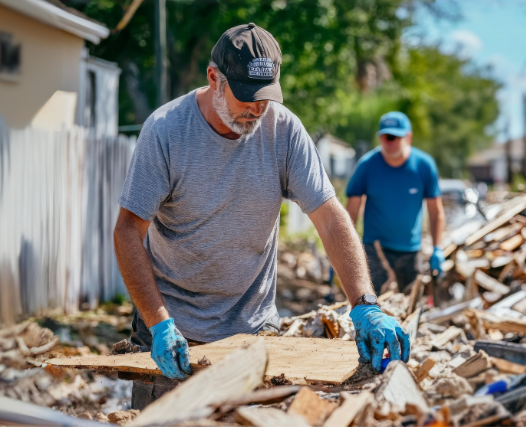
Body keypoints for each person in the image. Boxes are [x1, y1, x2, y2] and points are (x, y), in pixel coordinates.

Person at [113, 24, 408, 409]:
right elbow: (127, 232)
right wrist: (159, 323)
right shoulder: (166, 132)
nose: (256, 109)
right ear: (214, 77)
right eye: (246, 97)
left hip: (254, 331)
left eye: (265, 98)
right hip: (173, 333)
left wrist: (365, 303)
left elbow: (330, 219)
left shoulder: (283, 131)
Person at [345, 112, 446, 293]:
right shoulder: (367, 165)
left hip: (410, 251)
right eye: (385, 137)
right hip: (374, 250)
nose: (389, 142)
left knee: (409, 305)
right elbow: (351, 210)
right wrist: (345, 248)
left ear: (408, 137)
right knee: (372, 304)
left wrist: (437, 248)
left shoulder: (424, 166)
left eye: (394, 137)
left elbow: (436, 212)